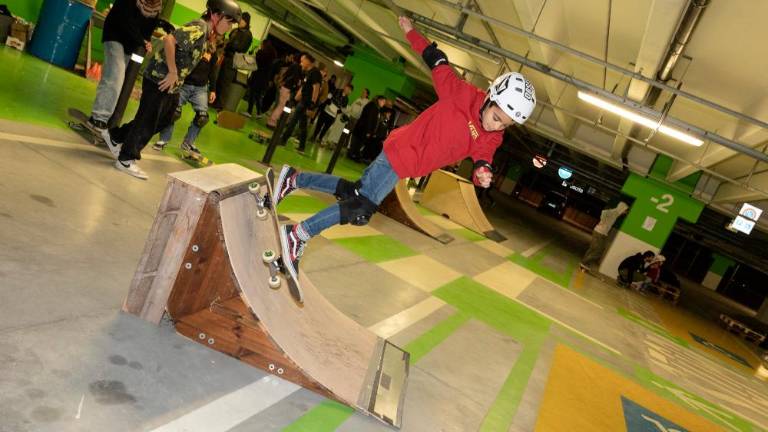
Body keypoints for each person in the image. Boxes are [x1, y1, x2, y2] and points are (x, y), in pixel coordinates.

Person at [269, 16, 537, 283]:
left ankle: (293, 179)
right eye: (496, 117)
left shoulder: (495, 135)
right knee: (360, 208)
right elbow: (436, 59)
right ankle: (297, 235)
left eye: (505, 125)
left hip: (407, 164)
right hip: (400, 152)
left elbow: (484, 153)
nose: (495, 126)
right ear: (490, 97)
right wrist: (410, 31)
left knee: (352, 192)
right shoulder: (460, 93)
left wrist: (483, 170)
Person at [104, 0, 240, 179]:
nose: (229, 26)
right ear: (216, 15)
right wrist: (173, 71)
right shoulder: (199, 27)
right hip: (160, 78)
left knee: (166, 118)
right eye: (229, 21)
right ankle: (126, 159)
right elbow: (170, 40)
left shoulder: (207, 33)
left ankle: (116, 136)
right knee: (148, 119)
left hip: (172, 85)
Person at [87, 0, 161, 134]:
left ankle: (104, 118)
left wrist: (147, 40)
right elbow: (124, 19)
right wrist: (142, 40)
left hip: (130, 43)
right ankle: (98, 118)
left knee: (115, 79)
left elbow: (148, 29)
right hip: (115, 35)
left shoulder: (156, 6)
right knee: (115, 77)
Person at [152, 48, 218, 156]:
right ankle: (163, 140)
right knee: (173, 112)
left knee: (202, 117)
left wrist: (213, 90)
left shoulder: (213, 53)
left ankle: (188, 143)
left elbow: (213, 72)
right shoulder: (196, 44)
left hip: (200, 88)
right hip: (184, 84)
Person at [280, 56, 323, 153]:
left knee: (293, 120)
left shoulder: (315, 72)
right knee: (303, 125)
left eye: (302, 61)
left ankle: (283, 140)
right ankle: (302, 147)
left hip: (307, 103)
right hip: (303, 100)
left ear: (308, 61)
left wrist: (312, 104)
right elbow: (303, 88)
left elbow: (316, 88)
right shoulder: (307, 72)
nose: (301, 63)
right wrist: (294, 100)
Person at [213, 11, 252, 109]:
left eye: (242, 19)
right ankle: (214, 101)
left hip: (233, 60)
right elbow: (229, 40)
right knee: (219, 80)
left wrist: (229, 44)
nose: (239, 21)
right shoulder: (235, 30)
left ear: (246, 21)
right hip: (226, 57)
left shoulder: (247, 34)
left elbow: (241, 48)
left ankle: (220, 105)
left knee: (225, 82)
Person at [579, 201, 629, 271]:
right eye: (625, 210)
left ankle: (584, 263)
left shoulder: (616, 214)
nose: (625, 212)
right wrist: (603, 221)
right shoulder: (614, 212)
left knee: (593, 248)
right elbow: (604, 212)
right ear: (622, 208)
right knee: (598, 250)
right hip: (599, 232)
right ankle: (584, 262)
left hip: (602, 233)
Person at [244, 38, 277, 117]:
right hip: (265, 78)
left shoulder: (261, 52)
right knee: (258, 96)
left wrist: (256, 52)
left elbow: (255, 61)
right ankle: (259, 112)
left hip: (257, 75)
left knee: (252, 94)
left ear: (263, 45)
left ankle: (249, 111)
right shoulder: (272, 56)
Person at [267, 53, 301, 128]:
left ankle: (274, 121)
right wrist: (296, 85)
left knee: (281, 106)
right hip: (287, 89)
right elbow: (295, 79)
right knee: (281, 106)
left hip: (285, 88)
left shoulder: (293, 66)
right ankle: (272, 122)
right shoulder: (296, 67)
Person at [348, 95, 386, 161]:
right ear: (379, 100)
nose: (384, 103)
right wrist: (369, 131)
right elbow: (369, 119)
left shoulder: (372, 106)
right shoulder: (373, 107)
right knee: (358, 142)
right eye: (383, 101)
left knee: (356, 142)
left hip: (361, 128)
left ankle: (353, 154)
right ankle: (353, 155)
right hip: (363, 129)